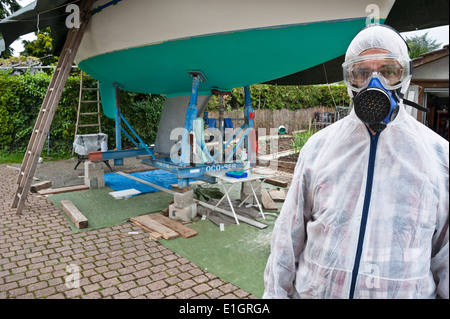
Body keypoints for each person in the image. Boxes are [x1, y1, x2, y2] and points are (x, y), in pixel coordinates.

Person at [263, 24, 449, 299]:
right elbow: (287, 237)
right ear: (349, 79)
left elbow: (446, 253)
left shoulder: (439, 157)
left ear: (405, 76)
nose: (376, 83)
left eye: (388, 71)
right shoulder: (319, 148)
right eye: (362, 72)